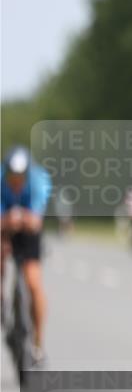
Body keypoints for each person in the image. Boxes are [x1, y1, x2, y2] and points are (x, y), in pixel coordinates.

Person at [0, 146, 53, 365]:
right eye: (12, 176)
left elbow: (36, 220)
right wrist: (8, 221)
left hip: (29, 231)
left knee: (33, 283)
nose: (16, 180)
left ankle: (38, 344)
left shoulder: (38, 180)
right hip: (5, 228)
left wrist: (23, 218)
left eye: (20, 177)